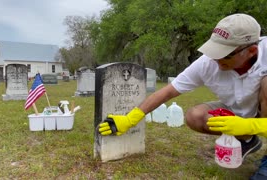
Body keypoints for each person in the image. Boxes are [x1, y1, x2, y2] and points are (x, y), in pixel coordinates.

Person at [98, 13, 267, 179]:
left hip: (260, 112)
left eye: (224, 54)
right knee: (195, 116)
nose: (216, 58)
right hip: (237, 112)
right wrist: (130, 119)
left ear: (251, 51)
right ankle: (246, 140)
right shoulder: (207, 63)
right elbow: (167, 92)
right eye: (214, 50)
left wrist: (251, 125)